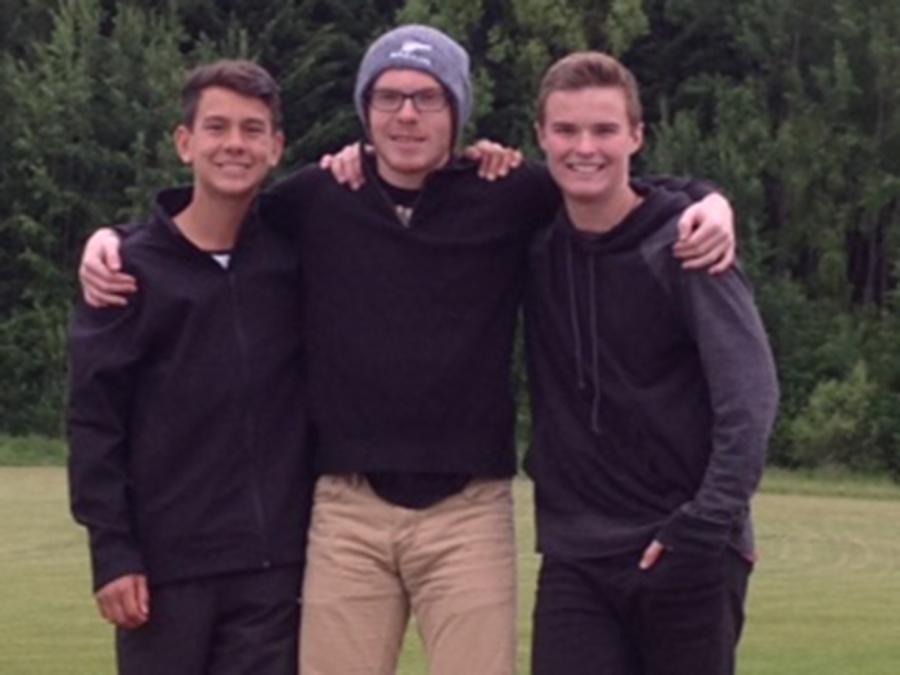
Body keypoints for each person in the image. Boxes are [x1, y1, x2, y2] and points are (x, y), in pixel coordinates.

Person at [78, 26, 736, 675]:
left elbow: (614, 185)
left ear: (457, 112)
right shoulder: (318, 199)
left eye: (428, 98)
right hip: (346, 508)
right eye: (389, 97)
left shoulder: (510, 193)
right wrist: (115, 239)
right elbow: (212, 216)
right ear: (365, 112)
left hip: (468, 510)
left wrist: (710, 201)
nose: (407, 115)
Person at [524, 51, 779, 675]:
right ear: (541, 137)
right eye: (566, 130)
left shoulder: (686, 245)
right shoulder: (533, 240)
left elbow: (750, 398)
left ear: (637, 136)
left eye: (605, 130)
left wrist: (705, 524)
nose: (585, 147)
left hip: (685, 547)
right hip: (576, 558)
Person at [67, 60, 312, 675]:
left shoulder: (297, 255)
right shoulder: (128, 270)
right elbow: (95, 424)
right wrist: (114, 554)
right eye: (217, 127)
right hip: (164, 575)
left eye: (253, 130)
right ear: (185, 142)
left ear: (276, 147)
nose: (235, 144)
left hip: (273, 572)